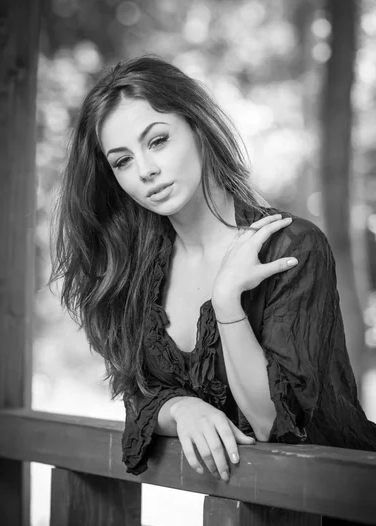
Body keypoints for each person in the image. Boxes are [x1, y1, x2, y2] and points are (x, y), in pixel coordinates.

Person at [49, 54, 376, 486]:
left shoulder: (291, 246)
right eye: (122, 161)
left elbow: (272, 423)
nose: (146, 170)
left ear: (198, 129)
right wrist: (182, 408)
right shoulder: (139, 274)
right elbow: (140, 395)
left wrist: (228, 305)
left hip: (340, 513)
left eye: (158, 140)